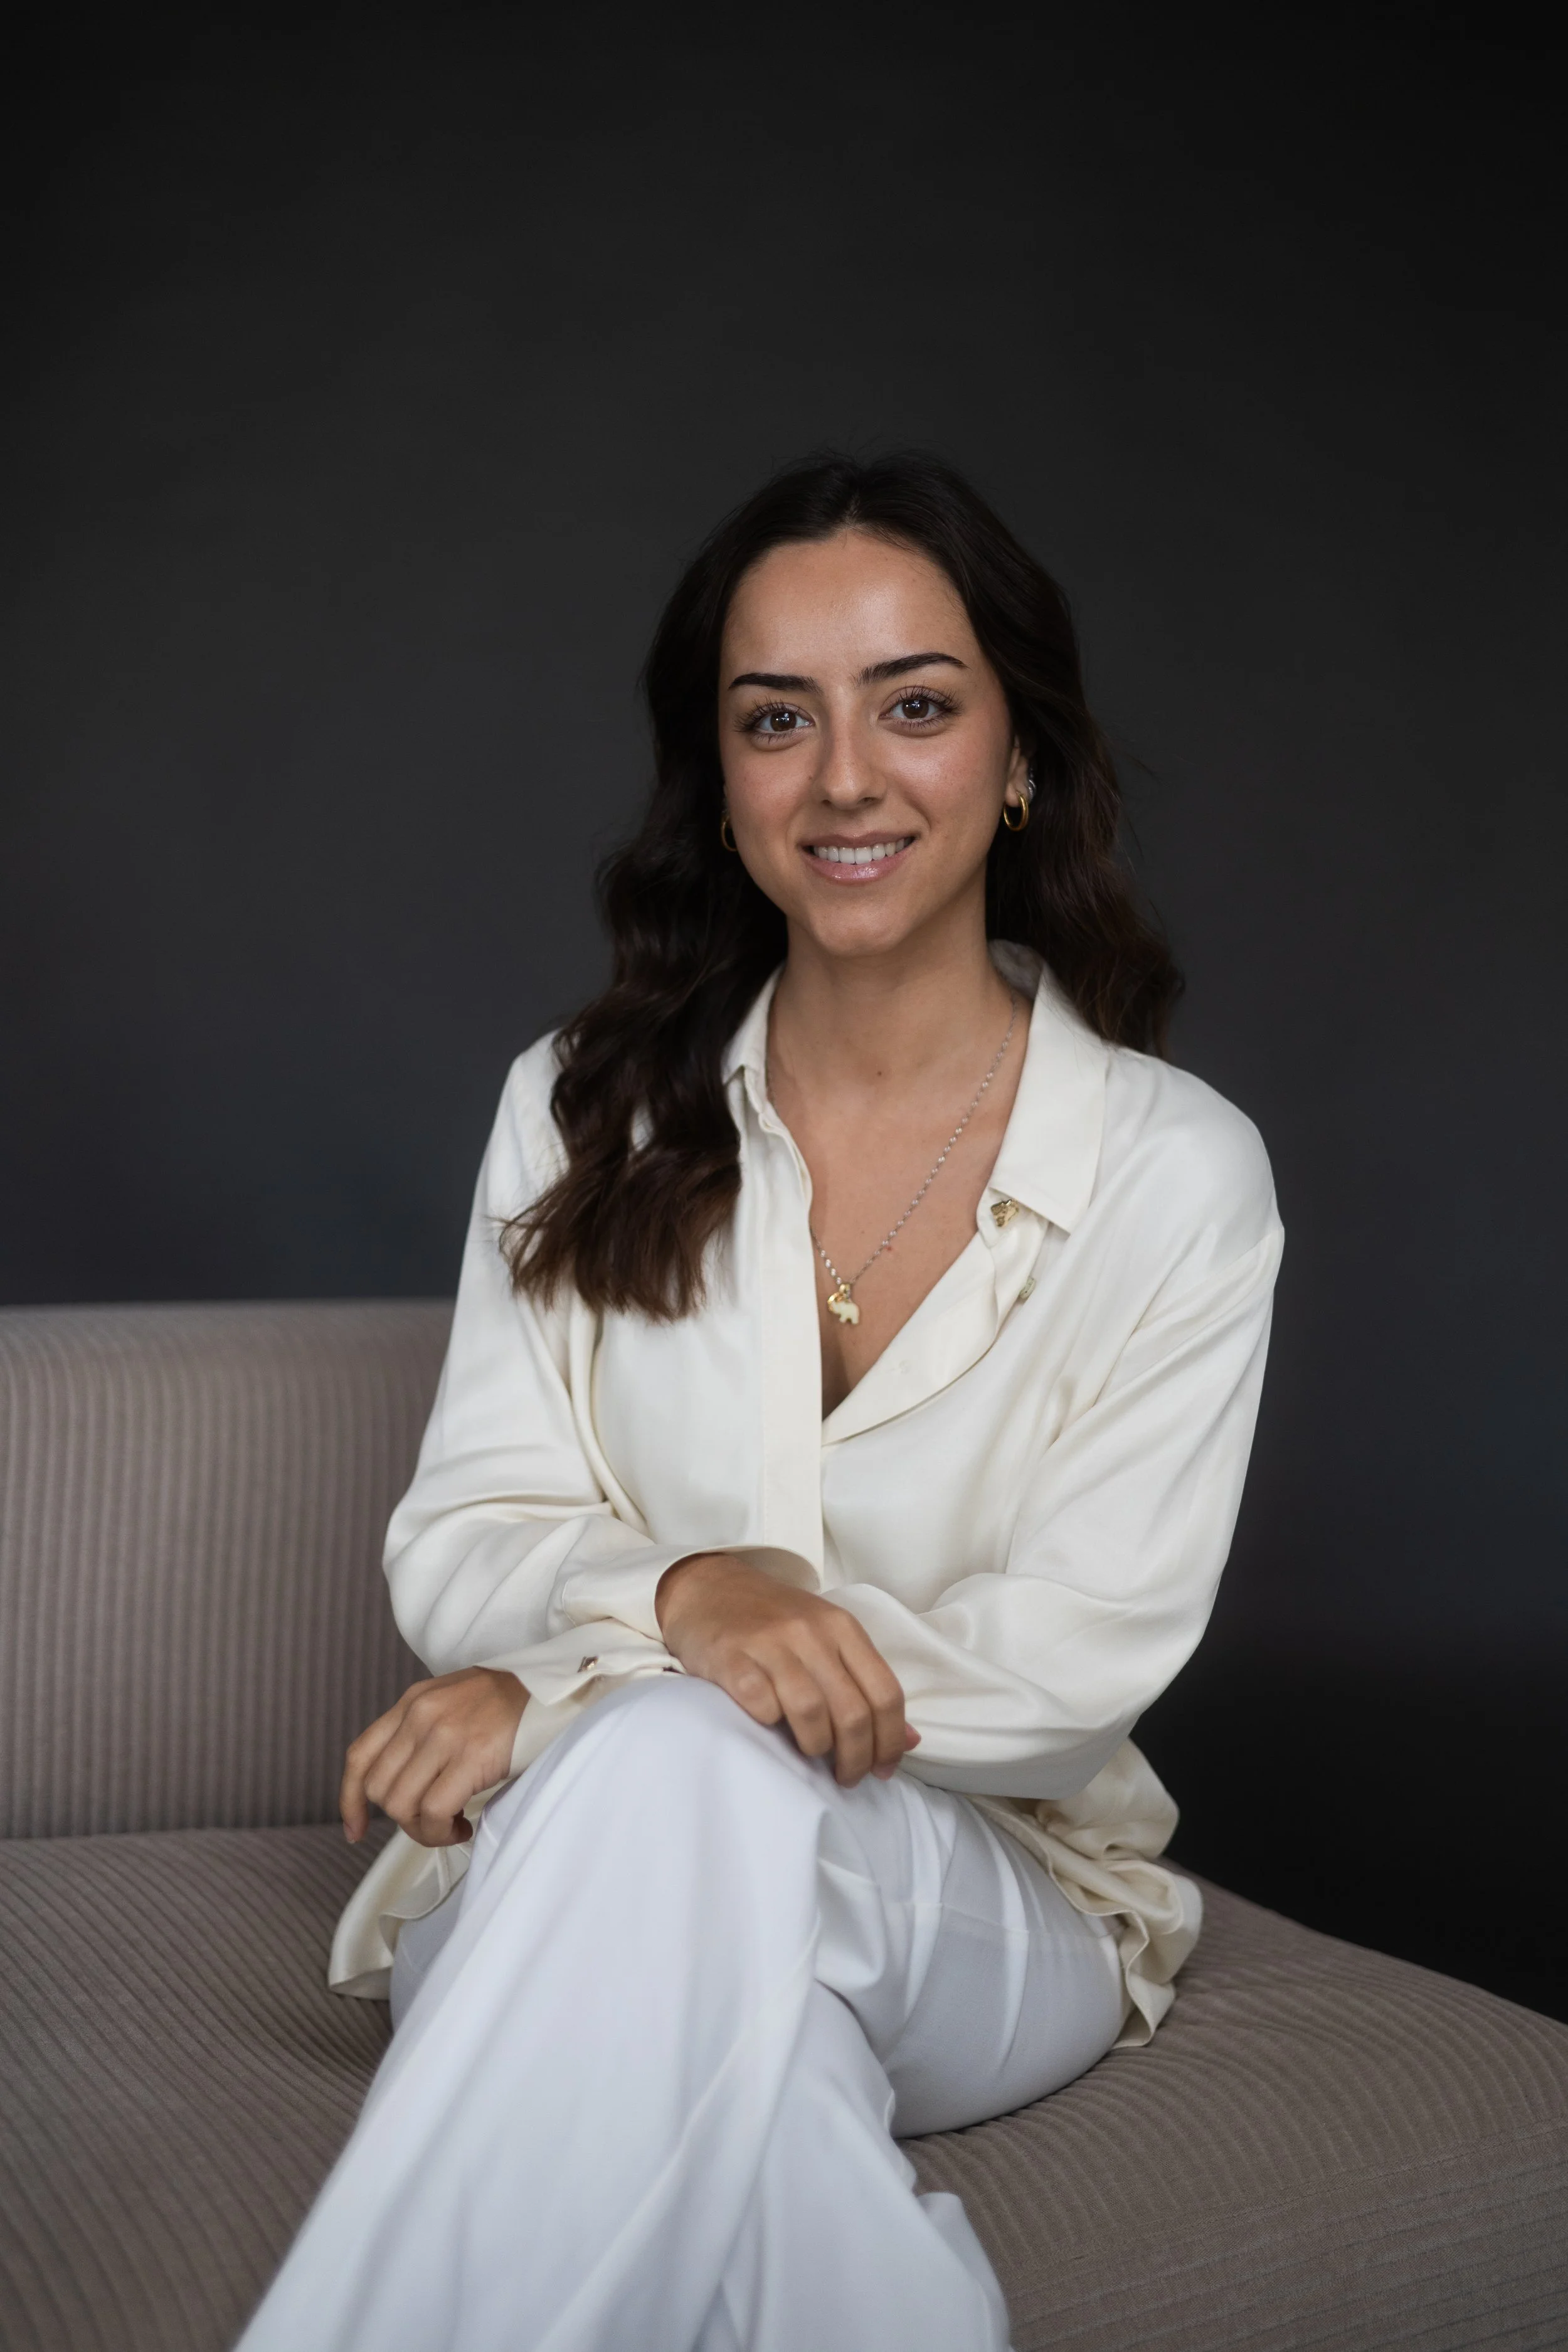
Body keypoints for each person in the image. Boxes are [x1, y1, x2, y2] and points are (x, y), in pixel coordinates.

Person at [238, 452, 1283, 2352]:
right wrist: (693, 1599)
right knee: (743, 2059)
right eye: (776, 719)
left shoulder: (1177, 1173)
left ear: (1019, 754)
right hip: (571, 1863)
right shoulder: (580, 1105)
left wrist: (582, 1680)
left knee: (667, 1765)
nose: (845, 779)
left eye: (916, 706)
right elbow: (459, 1536)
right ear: (719, 782)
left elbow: (1068, 1666)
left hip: (984, 1884)